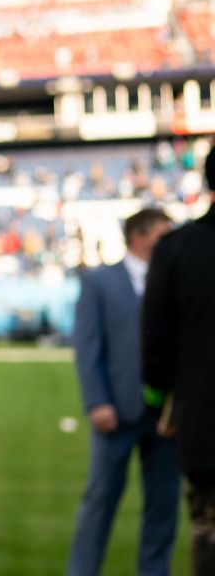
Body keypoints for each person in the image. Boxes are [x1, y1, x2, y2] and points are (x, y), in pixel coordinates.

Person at [68, 208, 179, 576]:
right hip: (115, 410)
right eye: (165, 233)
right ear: (140, 236)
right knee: (99, 504)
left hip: (165, 416)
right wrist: (96, 401)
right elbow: (87, 345)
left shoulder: (175, 279)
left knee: (163, 508)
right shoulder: (100, 281)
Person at [144, 153, 215, 576]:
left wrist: (160, 407)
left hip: (205, 429)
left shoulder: (177, 249)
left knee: (208, 541)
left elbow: (155, 348)